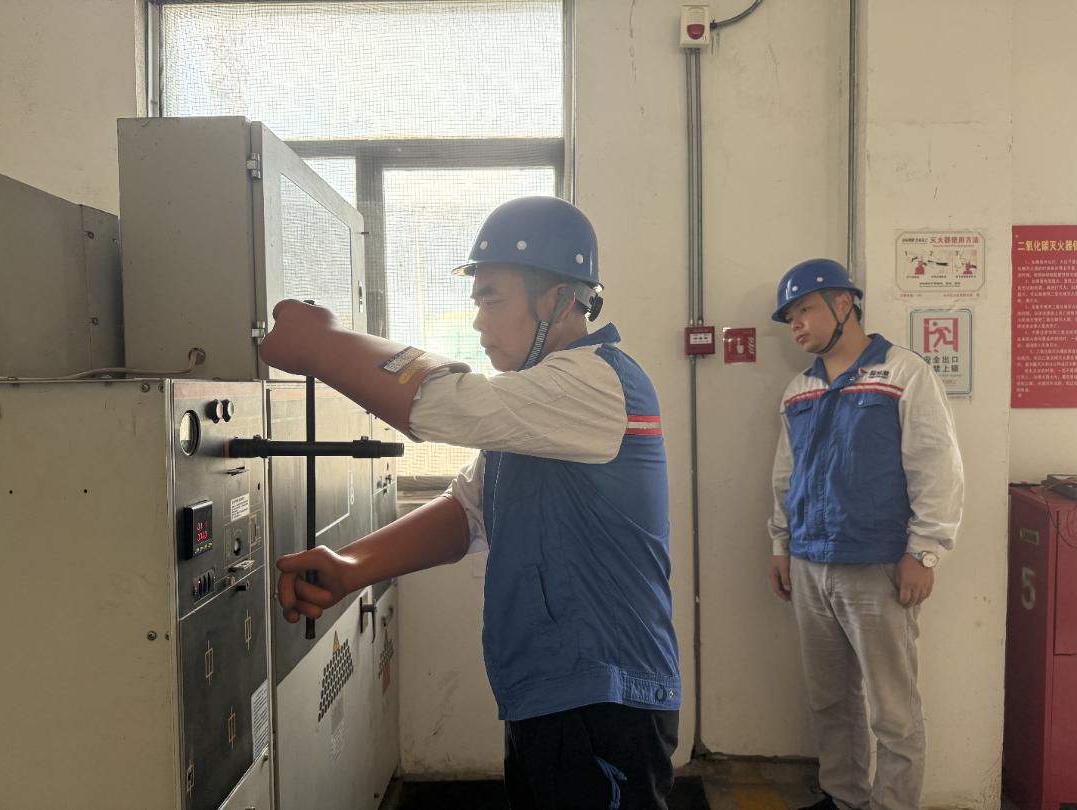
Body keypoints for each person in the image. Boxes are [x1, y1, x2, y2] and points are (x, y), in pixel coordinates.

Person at [259, 196, 681, 809]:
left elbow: (446, 403)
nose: (479, 321)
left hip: (605, 696)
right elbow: (468, 510)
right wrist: (352, 567)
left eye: (492, 299)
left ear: (559, 299)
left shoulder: (597, 381)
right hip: (547, 689)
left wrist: (323, 343)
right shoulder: (535, 409)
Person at [766, 259, 963, 810]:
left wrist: (925, 552)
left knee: (893, 711)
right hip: (810, 565)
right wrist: (781, 545)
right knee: (830, 701)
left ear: (843, 304)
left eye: (804, 309)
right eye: (789, 316)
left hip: (878, 565)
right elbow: (786, 475)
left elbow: (937, 466)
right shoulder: (798, 390)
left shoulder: (904, 374)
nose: (795, 323)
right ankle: (843, 798)